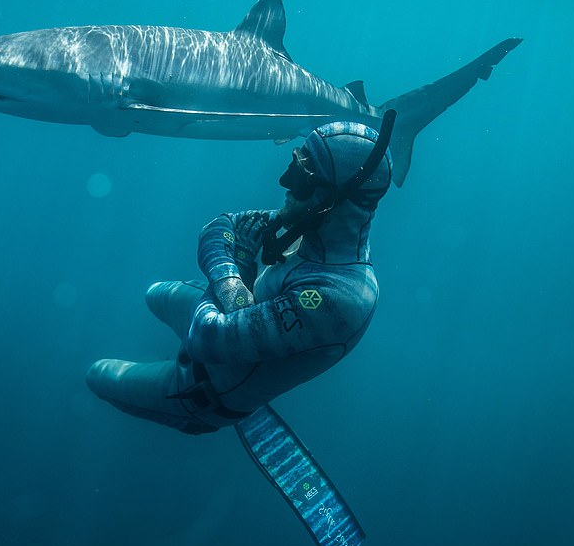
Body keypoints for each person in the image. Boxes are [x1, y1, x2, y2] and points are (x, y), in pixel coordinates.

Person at [86, 115, 395, 435]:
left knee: (97, 375)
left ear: (330, 198)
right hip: (215, 324)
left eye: (302, 176)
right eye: (294, 163)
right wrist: (232, 286)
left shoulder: (337, 298)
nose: (285, 182)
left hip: (202, 389)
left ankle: (195, 420)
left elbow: (207, 339)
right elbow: (219, 227)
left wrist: (239, 270)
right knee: (153, 293)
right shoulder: (312, 223)